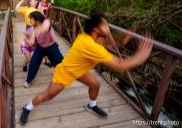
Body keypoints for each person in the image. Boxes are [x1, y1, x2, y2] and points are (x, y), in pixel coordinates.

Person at [20, 10, 153, 125]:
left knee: (95, 84)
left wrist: (123, 39)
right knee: (47, 95)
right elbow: (120, 65)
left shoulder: (88, 36)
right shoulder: (90, 46)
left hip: (79, 70)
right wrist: (140, 56)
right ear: (96, 29)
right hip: (66, 72)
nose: (107, 27)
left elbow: (108, 43)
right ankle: (28, 107)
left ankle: (91, 106)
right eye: (104, 25)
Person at [23, 11, 64, 88]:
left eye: (31, 19)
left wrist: (35, 32)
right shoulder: (34, 28)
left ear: (37, 20)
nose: (29, 21)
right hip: (40, 47)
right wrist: (27, 41)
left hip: (51, 47)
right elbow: (32, 42)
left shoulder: (46, 22)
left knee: (60, 62)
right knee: (33, 63)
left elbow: (45, 28)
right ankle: (29, 80)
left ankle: (65, 75)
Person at [15, 0, 40, 72]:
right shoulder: (26, 9)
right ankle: (26, 62)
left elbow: (43, 20)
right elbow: (16, 9)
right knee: (29, 43)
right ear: (30, 3)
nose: (34, 2)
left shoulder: (38, 11)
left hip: (36, 28)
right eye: (32, 1)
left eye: (35, 1)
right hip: (29, 28)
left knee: (37, 44)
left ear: (36, 3)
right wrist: (22, 1)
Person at [36, 0, 55, 67]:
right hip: (40, 24)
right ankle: (46, 60)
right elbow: (36, 12)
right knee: (43, 42)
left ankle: (47, 58)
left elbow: (53, 4)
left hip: (46, 24)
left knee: (48, 41)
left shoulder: (47, 5)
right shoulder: (38, 4)